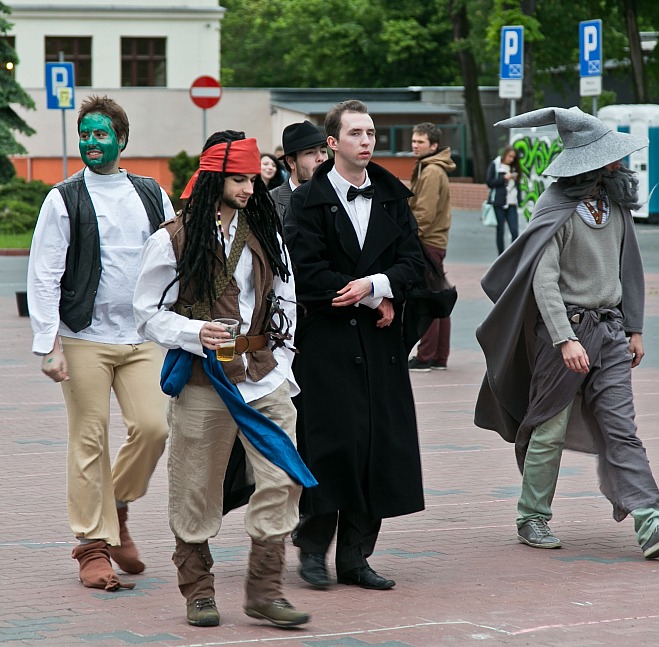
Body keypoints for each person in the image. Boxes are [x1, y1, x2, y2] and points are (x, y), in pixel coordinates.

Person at [475, 107, 659, 560]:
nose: (620, 162)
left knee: (622, 427)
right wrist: (564, 338)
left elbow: (629, 267)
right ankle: (531, 516)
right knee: (549, 429)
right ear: (590, 162)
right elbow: (543, 280)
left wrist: (634, 328)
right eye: (611, 155)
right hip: (565, 334)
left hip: (610, 331)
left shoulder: (615, 204)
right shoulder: (553, 206)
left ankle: (651, 521)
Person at [134, 130, 311, 628]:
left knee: (282, 477)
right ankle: (198, 591)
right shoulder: (172, 237)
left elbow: (287, 299)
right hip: (203, 380)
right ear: (214, 179)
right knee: (195, 486)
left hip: (264, 377)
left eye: (252, 179)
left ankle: (265, 590)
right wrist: (194, 332)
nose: (249, 188)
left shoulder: (266, 232)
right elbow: (146, 314)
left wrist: (283, 364)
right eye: (238, 179)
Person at [27, 95, 173, 591]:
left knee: (153, 427)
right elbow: (44, 273)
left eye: (101, 134)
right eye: (85, 134)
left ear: (121, 139)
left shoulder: (151, 193)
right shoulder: (63, 198)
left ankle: (117, 507)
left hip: (143, 335)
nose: (91, 142)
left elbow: (173, 259)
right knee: (89, 438)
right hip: (83, 336)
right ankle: (93, 547)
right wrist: (48, 343)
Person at [284, 100, 426, 591]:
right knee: (330, 446)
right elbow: (306, 271)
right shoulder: (307, 200)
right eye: (355, 133)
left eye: (370, 133)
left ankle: (355, 557)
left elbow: (414, 262)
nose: (366, 141)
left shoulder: (392, 195)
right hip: (327, 343)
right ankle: (312, 548)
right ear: (332, 143)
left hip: (382, 345)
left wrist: (379, 286)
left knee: (378, 447)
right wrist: (370, 296)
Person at [407, 121, 456, 372]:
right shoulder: (429, 167)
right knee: (438, 295)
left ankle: (425, 357)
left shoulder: (431, 171)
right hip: (433, 241)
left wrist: (410, 237)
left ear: (433, 146)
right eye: (414, 141)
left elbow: (423, 214)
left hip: (427, 242)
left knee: (429, 299)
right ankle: (439, 356)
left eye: (420, 142)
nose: (415, 145)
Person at [268, 121, 328, 220]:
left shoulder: (336, 195)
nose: (320, 158)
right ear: (291, 162)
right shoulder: (269, 202)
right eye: (310, 153)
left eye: (323, 151)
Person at [487, 146, 523, 254]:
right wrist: (503, 178)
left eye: (513, 157)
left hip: (512, 203)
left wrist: (519, 199)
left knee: (514, 230)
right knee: (500, 230)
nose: (511, 159)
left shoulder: (514, 168)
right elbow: (489, 182)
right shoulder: (496, 165)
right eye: (509, 156)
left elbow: (517, 186)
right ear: (505, 154)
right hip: (499, 202)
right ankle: (501, 255)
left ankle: (513, 255)